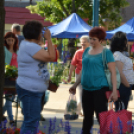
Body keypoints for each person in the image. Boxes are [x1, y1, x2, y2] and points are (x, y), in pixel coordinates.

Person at [69, 27, 118, 134]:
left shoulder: (106, 52)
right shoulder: (86, 50)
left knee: (102, 117)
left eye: (94, 39)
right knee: (87, 118)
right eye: (90, 38)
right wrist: (75, 84)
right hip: (86, 88)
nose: (91, 41)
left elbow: (113, 72)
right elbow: (83, 69)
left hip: (100, 89)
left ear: (101, 40)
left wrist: (114, 91)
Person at [16, 20, 55, 134]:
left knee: (31, 121)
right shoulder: (30, 46)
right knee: (31, 122)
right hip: (30, 90)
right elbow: (51, 56)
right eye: (41, 32)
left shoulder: (29, 45)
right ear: (37, 34)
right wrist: (48, 39)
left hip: (33, 89)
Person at [110, 31, 134, 110]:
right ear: (123, 42)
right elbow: (119, 72)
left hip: (124, 86)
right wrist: (127, 85)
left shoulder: (119, 54)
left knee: (121, 110)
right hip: (123, 86)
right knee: (121, 111)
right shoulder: (117, 55)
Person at [67, 35, 90, 116]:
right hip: (79, 75)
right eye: (82, 42)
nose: (82, 44)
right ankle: (81, 110)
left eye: (84, 42)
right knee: (80, 92)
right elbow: (73, 64)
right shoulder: (78, 52)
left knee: (87, 93)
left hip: (90, 76)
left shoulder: (92, 52)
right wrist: (69, 75)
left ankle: (82, 109)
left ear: (89, 43)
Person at [3, 32, 18, 125]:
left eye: (12, 40)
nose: (11, 41)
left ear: (15, 40)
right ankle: (11, 119)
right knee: (8, 99)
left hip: (16, 77)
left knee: (9, 99)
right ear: (5, 40)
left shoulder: (17, 51)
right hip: (7, 77)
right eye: (9, 40)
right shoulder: (4, 49)